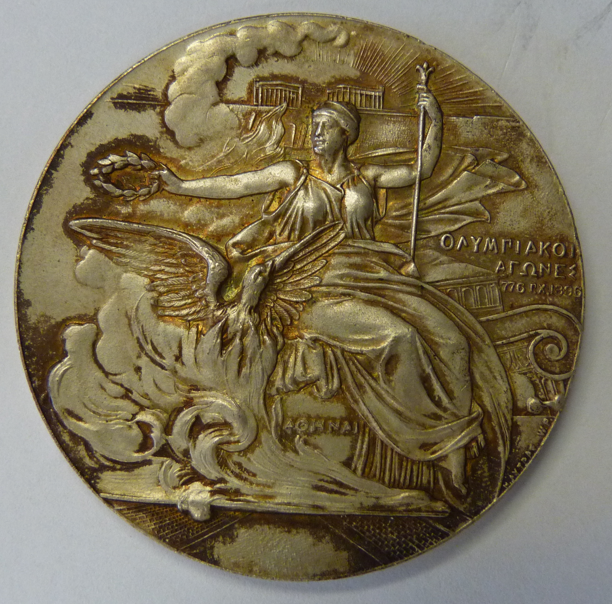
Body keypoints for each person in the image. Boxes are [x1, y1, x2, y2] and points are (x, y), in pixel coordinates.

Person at [155, 88, 513, 507]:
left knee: (452, 341)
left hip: (374, 279)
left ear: (347, 134)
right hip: (310, 288)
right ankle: (435, 442)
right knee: (400, 337)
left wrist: (435, 118)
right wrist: (179, 185)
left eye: (326, 126)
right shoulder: (293, 175)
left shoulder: (367, 177)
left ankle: (457, 454)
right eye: (314, 126)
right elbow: (236, 184)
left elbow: (422, 169)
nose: (317, 133)